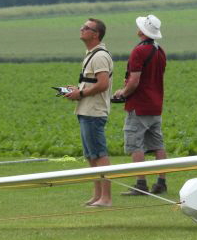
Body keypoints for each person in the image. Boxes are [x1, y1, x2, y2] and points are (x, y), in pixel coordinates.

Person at [112, 14, 168, 196]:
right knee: (158, 145)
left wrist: (122, 92)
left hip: (139, 105)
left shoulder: (139, 51)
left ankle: (140, 184)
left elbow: (135, 81)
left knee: (135, 144)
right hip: (156, 104)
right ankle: (161, 182)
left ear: (142, 31)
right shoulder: (160, 51)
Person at [65, 18, 114, 207]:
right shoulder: (91, 54)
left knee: (100, 155)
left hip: (94, 112)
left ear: (96, 34)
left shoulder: (100, 56)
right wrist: (77, 89)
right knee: (91, 155)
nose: (81, 29)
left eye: (86, 28)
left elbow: (103, 84)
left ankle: (106, 198)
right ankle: (98, 195)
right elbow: (94, 81)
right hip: (86, 110)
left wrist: (81, 93)